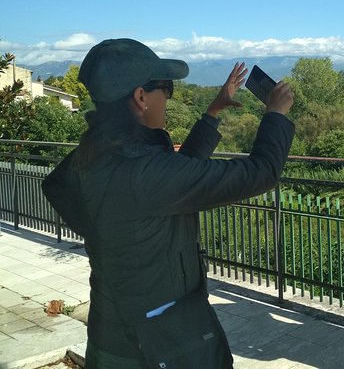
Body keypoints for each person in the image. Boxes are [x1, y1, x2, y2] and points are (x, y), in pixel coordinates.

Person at [41, 38, 295, 368]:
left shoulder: (94, 156)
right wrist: (275, 115)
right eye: (168, 89)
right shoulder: (140, 171)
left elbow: (170, 181)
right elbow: (261, 172)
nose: (168, 97)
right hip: (155, 344)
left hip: (112, 333)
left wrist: (212, 112)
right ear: (141, 96)